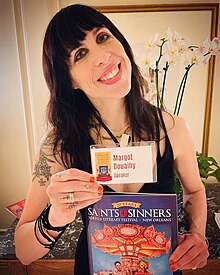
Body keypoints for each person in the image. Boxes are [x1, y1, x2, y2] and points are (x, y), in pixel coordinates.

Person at [14, 4, 209, 274]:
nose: (104, 56)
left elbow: (195, 190)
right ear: (68, 80)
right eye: (80, 54)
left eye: (103, 37)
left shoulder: (174, 128)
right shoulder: (58, 145)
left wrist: (197, 233)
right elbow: (23, 252)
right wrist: (55, 217)